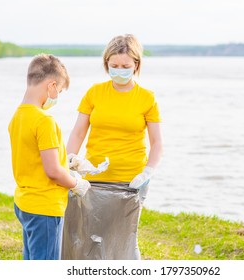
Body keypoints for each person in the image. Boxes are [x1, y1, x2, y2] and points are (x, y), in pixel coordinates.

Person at [65, 34, 163, 259]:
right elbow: (78, 131)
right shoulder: (95, 93)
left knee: (124, 241)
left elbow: (157, 143)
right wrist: (69, 159)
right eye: (114, 65)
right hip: (93, 178)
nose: (119, 70)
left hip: (131, 181)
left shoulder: (146, 98)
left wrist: (147, 172)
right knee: (90, 238)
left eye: (125, 66)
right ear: (106, 63)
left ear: (136, 65)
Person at [8, 54, 91, 260]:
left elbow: (33, 157)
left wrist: (67, 161)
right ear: (52, 85)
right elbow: (53, 171)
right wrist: (76, 183)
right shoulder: (44, 121)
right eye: (60, 91)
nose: (57, 96)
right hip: (45, 207)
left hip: (25, 203)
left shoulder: (17, 116)